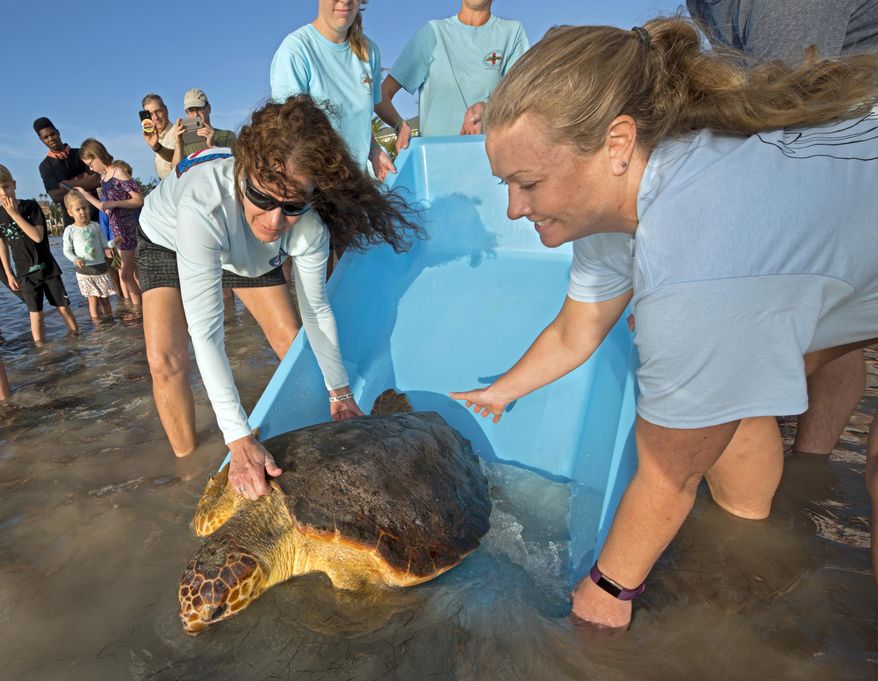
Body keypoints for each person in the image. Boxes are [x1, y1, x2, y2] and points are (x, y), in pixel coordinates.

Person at [450, 19, 878, 628]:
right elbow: (576, 330)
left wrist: (604, 595)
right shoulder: (616, 201)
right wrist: (502, 390)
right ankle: (751, 539)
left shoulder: (696, 264)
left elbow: (667, 478)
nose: (514, 209)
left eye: (528, 184)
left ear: (617, 143)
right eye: (506, 185)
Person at [137, 95, 420, 499]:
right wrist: (238, 438)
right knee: (166, 359)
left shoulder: (302, 226)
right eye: (264, 197)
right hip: (168, 235)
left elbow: (317, 310)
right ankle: (189, 470)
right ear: (245, 173)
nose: (274, 220)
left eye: (292, 205)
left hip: (244, 249)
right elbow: (206, 331)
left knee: (292, 340)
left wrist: (339, 392)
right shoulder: (205, 206)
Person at [687, 0, 878, 460]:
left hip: (845, 133)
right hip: (827, 123)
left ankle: (799, 465)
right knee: (823, 317)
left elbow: (781, 116)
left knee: (745, 355)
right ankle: (808, 466)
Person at [375, 0, 528, 151]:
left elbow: (524, 103)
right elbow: (381, 96)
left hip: (492, 163)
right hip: (436, 163)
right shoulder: (432, 33)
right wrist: (399, 125)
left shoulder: (513, 33)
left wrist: (488, 109)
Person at [270, 0, 396, 181]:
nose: (345, 1)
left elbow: (356, 122)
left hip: (356, 191)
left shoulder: (370, 52)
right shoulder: (296, 51)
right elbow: (288, 140)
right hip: (315, 194)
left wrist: (374, 150)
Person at [0, 164, 79, 345]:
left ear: (14, 184)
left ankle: (77, 340)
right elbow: (2, 245)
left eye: (6, 186)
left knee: (63, 309)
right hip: (25, 274)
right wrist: (9, 273)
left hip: (48, 269)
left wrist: (14, 214)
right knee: (36, 316)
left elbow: (37, 236)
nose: (3, 193)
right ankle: (42, 354)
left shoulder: (31, 206)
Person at [76, 139, 143, 307]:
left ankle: (139, 310)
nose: (91, 168)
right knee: (130, 274)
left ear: (97, 155)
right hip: (117, 232)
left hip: (128, 229)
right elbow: (103, 207)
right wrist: (85, 194)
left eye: (90, 164)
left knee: (127, 275)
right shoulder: (103, 178)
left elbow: (138, 200)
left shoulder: (118, 171)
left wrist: (114, 204)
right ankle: (139, 309)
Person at [33, 117, 100, 227]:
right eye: (45, 137)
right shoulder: (45, 166)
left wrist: (67, 184)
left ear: (58, 132)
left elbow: (97, 180)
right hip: (72, 222)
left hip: (98, 213)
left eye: (52, 134)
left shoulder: (80, 153)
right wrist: (84, 181)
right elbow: (56, 196)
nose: (50, 139)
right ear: (42, 140)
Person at [61, 192, 115, 321]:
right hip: (85, 271)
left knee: (106, 300)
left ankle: (110, 322)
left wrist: (113, 243)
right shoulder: (70, 230)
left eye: (84, 208)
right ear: (70, 212)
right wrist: (76, 259)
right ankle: (98, 326)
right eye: (77, 209)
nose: (82, 212)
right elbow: (67, 250)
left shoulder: (95, 226)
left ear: (88, 208)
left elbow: (104, 244)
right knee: (93, 302)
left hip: (101, 268)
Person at [172, 88, 238, 167]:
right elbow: (175, 172)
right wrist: (179, 144)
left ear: (209, 108)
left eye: (199, 108)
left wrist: (213, 146)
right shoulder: (184, 143)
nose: (196, 114)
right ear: (187, 113)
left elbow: (236, 165)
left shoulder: (227, 135)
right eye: (191, 110)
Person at [140, 93, 182, 180]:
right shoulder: (156, 137)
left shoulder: (178, 131)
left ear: (166, 110)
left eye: (158, 111)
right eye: (151, 114)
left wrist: (156, 147)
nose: (155, 117)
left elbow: (174, 156)